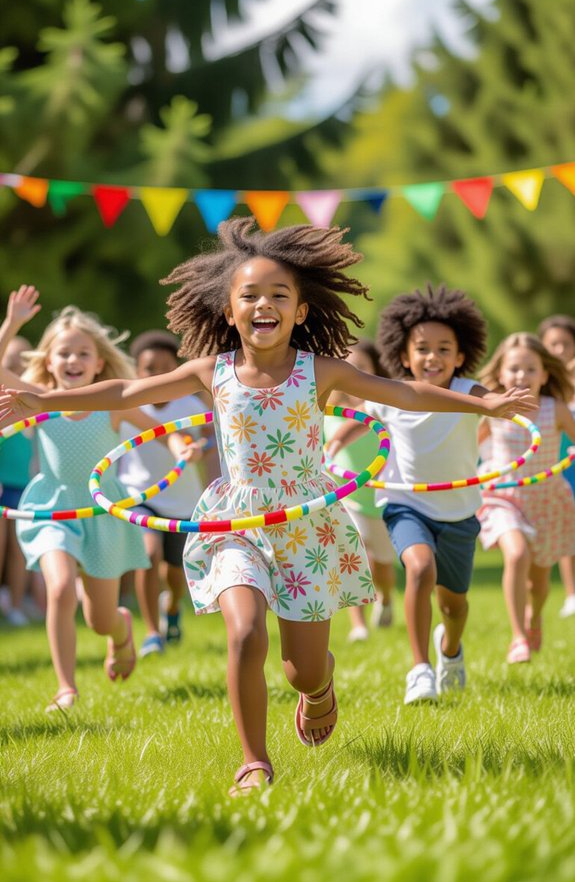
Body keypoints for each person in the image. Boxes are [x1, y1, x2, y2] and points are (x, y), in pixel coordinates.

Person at [0, 221, 535, 794]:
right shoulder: (214, 371)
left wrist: (487, 406)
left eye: (279, 295)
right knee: (245, 632)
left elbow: (406, 394)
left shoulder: (320, 371)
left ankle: (319, 686)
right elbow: (128, 394)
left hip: (307, 523)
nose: (264, 304)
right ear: (229, 312)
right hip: (237, 521)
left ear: (301, 311)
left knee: (301, 669)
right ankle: (255, 760)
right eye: (249, 295)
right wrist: (45, 397)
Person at [0, 290, 191, 712]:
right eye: (63, 353)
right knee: (61, 587)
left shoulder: (111, 404)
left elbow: (159, 428)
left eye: (83, 353)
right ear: (48, 362)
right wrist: (11, 324)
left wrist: (180, 447)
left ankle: (120, 632)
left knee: (100, 618)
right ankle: (66, 688)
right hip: (52, 506)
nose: (73, 360)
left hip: (103, 512)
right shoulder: (37, 399)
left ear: (99, 362)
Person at [327, 286, 504, 704]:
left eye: (445, 349)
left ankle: (450, 649)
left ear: (460, 356)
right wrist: (334, 445)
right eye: (422, 348)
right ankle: (419, 668)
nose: (433, 357)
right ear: (404, 355)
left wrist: (498, 402)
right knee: (420, 568)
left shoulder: (467, 389)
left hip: (459, 510)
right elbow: (363, 418)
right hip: (405, 503)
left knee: (454, 606)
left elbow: (488, 399)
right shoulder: (393, 394)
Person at [477, 332, 575, 663]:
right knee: (516, 555)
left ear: (545, 374)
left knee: (540, 580)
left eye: (531, 369)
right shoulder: (494, 409)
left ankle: (535, 617)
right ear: (501, 374)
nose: (522, 376)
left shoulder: (555, 408)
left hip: (547, 499)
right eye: (515, 369)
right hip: (504, 497)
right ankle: (518, 636)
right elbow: (467, 448)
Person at [119, 329, 217, 657]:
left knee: (174, 574)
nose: (157, 374)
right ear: (137, 371)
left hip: (182, 500)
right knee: (147, 556)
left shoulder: (190, 403)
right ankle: (150, 633)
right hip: (138, 494)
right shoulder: (127, 403)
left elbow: (210, 437)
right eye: (149, 368)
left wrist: (201, 449)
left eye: (165, 367)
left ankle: (171, 607)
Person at [324, 339, 396, 642]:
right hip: (346, 495)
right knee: (354, 556)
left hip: (380, 495)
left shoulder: (383, 408)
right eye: (348, 369)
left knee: (382, 562)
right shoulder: (327, 409)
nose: (354, 375)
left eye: (362, 369)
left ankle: (386, 597)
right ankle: (358, 624)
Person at [0, 286, 43, 625]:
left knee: (17, 549)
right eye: (8, 360)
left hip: (21, 482)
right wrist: (11, 325)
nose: (12, 365)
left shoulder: (31, 397)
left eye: (19, 362)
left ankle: (14, 605)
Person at [537, 314, 575, 617]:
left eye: (565, 344)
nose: (560, 350)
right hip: (556, 460)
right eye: (553, 345)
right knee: (567, 526)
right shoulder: (544, 382)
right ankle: (571, 593)